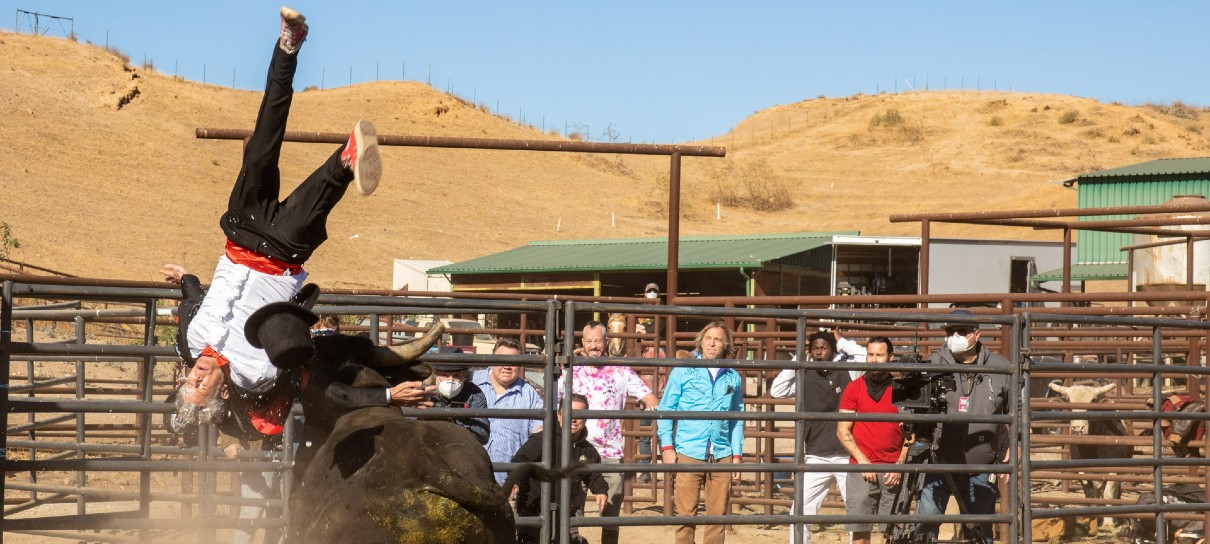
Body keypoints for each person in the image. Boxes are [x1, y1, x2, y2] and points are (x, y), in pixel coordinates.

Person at [166, 5, 385, 437]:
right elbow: (293, 357)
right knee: (324, 190)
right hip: (282, 254)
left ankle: (289, 45)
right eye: (201, 385)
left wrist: (185, 278)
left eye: (188, 381)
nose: (196, 376)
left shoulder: (190, 342)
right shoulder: (255, 374)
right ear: (222, 393)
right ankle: (349, 157)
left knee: (264, 137)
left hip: (244, 230)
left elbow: (194, 300)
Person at [915, 311, 1011, 544]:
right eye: (950, 332)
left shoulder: (1001, 368)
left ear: (977, 334)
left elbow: (1015, 411)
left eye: (962, 332)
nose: (954, 336)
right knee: (925, 524)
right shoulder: (932, 364)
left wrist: (1013, 445)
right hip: (937, 459)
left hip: (981, 461)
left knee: (979, 529)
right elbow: (910, 402)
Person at [571, 320, 659, 544]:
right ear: (582, 342)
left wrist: (651, 408)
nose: (593, 346)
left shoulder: (620, 371)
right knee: (572, 508)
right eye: (589, 341)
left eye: (598, 341)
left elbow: (649, 397)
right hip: (576, 449)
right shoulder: (571, 371)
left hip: (609, 450)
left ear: (606, 342)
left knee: (611, 511)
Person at [657, 321, 744, 544]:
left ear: (726, 345)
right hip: (689, 450)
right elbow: (667, 408)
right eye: (708, 338)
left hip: (722, 452)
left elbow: (737, 417)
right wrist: (667, 446)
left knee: (718, 518)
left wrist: (737, 455)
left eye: (718, 339)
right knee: (686, 515)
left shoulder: (733, 376)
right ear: (701, 342)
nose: (712, 343)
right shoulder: (684, 370)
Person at [769, 330, 854, 544]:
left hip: (848, 454)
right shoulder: (803, 376)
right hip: (818, 454)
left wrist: (842, 343)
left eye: (823, 348)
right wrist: (798, 358)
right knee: (800, 511)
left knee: (856, 512)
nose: (818, 352)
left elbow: (863, 357)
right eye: (814, 348)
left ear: (832, 351)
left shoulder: (848, 371)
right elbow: (777, 391)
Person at [836, 337, 909, 544]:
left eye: (879, 355)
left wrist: (899, 465)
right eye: (870, 354)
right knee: (859, 530)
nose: (874, 360)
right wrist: (862, 461)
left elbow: (911, 433)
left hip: (893, 469)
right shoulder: (854, 388)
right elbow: (843, 430)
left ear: (891, 357)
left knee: (894, 532)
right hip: (862, 468)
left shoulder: (902, 388)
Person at [511, 393, 607, 544]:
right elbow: (519, 460)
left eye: (579, 414)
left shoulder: (587, 450)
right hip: (534, 505)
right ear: (559, 416)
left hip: (566, 510)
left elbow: (593, 474)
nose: (573, 419)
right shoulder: (542, 439)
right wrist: (514, 481)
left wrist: (601, 490)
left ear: (586, 418)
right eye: (569, 413)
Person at [473, 337, 544, 484]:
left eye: (512, 361)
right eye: (502, 359)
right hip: (471, 476)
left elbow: (539, 433)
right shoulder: (472, 382)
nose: (507, 366)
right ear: (492, 359)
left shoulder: (529, 394)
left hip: (508, 484)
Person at [428, 351, 490, 445]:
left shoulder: (474, 393)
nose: (451, 380)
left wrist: (449, 427)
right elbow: (411, 426)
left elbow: (483, 434)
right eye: (445, 375)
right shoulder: (425, 393)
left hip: (461, 452)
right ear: (435, 375)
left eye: (456, 375)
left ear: (465, 375)